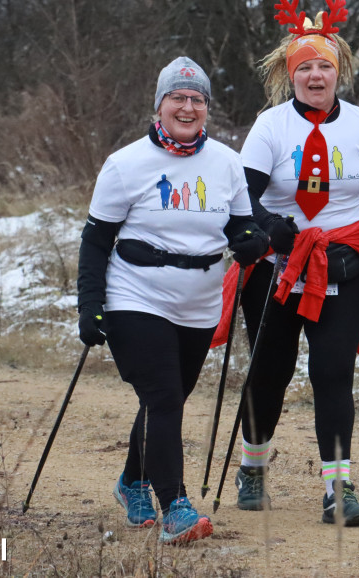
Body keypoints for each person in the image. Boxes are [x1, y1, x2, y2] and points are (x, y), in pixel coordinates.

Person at [211, 0, 359, 526]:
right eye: (306, 67)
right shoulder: (270, 127)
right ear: (290, 74)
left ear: (339, 71)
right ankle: (252, 465)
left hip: (342, 262)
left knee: (332, 373)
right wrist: (269, 226)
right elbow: (243, 197)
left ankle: (337, 490)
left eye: (325, 65)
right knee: (270, 373)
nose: (316, 76)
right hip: (278, 270)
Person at [76, 56, 269, 544]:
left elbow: (240, 225)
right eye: (177, 98)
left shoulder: (226, 162)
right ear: (159, 104)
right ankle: (175, 506)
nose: (187, 107)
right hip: (135, 294)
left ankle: (131, 481)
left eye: (196, 99)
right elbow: (96, 240)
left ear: (206, 107)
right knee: (164, 397)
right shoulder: (125, 164)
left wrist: (252, 240)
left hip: (200, 300)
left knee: (166, 399)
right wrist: (90, 304)